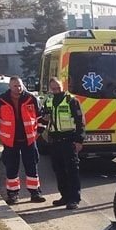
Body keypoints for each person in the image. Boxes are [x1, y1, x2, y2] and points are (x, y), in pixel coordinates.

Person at [0, 76, 45, 204]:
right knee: (11, 168)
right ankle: (13, 195)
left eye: (20, 85)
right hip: (10, 141)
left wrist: (38, 133)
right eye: (15, 86)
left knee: (32, 167)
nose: (18, 88)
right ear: (9, 86)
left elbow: (41, 117)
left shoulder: (31, 98)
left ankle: (35, 193)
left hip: (29, 140)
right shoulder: (2, 100)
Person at [42, 77, 85, 210]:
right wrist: (44, 118)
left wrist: (79, 140)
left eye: (58, 88)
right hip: (54, 141)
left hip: (69, 140)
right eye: (53, 89)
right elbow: (42, 118)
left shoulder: (71, 100)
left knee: (72, 171)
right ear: (50, 89)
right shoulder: (48, 100)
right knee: (58, 170)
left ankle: (74, 199)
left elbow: (80, 122)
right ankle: (64, 196)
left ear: (62, 86)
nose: (56, 91)